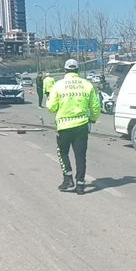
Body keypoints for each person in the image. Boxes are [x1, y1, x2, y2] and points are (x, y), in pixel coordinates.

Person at [47, 59, 101, 195]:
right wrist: (93, 119)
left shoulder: (58, 85)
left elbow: (51, 107)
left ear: (65, 70)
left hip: (64, 126)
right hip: (81, 126)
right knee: (80, 156)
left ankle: (68, 178)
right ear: (77, 70)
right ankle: (80, 185)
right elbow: (95, 106)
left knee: (62, 152)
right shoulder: (86, 84)